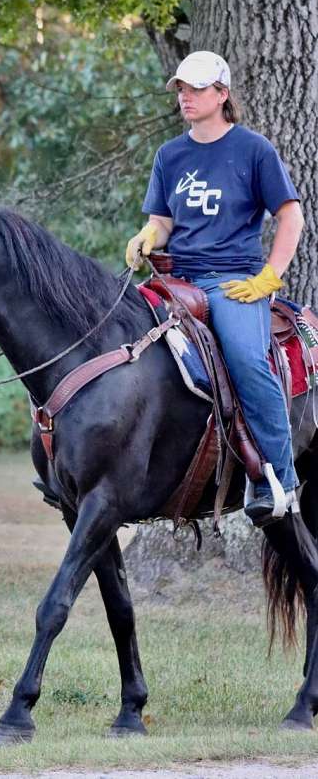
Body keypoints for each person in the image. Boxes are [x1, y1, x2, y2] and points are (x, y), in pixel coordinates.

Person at [126, 50, 305, 527]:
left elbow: (291, 215)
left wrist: (269, 276)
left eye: (196, 89)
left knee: (247, 358)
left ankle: (280, 481)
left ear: (222, 95)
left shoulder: (253, 150)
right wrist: (148, 236)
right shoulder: (170, 155)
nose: (185, 96)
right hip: (175, 280)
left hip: (233, 282)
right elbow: (162, 220)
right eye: (181, 89)